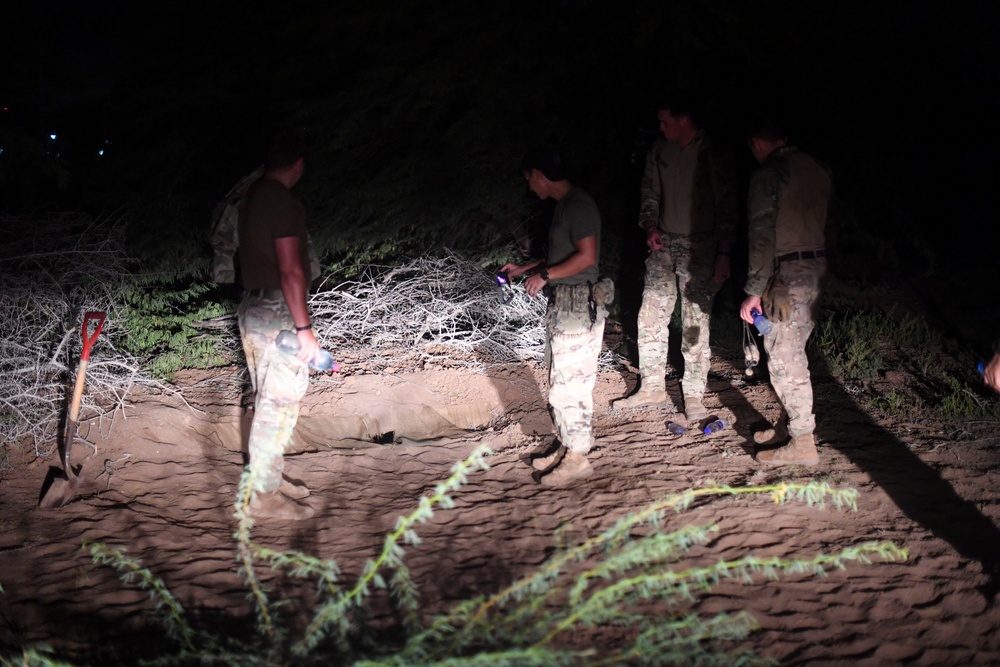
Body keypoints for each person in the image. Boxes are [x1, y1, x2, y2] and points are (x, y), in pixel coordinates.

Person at [614, 93, 737, 422]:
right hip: (663, 247)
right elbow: (649, 193)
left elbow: (727, 206)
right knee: (650, 316)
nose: (660, 126)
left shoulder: (711, 152)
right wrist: (650, 226)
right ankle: (651, 385)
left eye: (665, 120)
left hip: (701, 248)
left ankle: (693, 394)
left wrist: (724, 253)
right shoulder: (659, 149)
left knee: (696, 324)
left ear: (684, 120)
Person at [501, 147, 607, 486]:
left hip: (577, 308)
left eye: (529, 179)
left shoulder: (579, 206)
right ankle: (566, 445)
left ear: (538, 174)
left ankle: (577, 458)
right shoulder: (566, 207)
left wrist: (545, 277)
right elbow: (562, 256)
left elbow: (587, 257)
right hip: (565, 307)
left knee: (568, 387)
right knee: (563, 382)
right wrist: (525, 269)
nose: (529, 186)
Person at [236, 130, 325, 519]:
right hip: (278, 317)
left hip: (252, 309)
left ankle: (266, 476)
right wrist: (305, 329)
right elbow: (290, 271)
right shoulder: (283, 204)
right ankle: (264, 496)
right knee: (280, 406)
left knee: (265, 402)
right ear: (299, 164)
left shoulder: (251, 195)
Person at [739, 121, 832, 466]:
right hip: (816, 268)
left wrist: (753, 291)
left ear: (757, 142)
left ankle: (803, 443)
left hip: (787, 274)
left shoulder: (769, 174)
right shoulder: (817, 168)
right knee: (794, 349)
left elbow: (761, 238)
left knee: (784, 358)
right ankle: (788, 426)